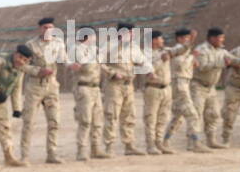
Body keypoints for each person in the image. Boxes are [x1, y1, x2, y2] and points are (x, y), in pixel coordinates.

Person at [18, 17, 65, 163]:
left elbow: (64, 59)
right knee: (29, 122)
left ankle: (52, 154)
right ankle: (24, 156)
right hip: (35, 86)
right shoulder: (30, 45)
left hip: (52, 86)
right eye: (45, 27)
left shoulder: (58, 43)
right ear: (40, 29)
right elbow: (22, 65)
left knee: (54, 121)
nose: (48, 30)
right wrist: (38, 71)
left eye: (51, 27)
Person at [100, 22, 147, 156]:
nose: (132, 35)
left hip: (129, 85)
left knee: (129, 116)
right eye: (129, 32)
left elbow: (142, 62)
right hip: (114, 85)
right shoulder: (109, 46)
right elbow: (99, 63)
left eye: (133, 33)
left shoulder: (134, 47)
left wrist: (136, 71)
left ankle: (129, 145)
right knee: (112, 115)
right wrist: (112, 73)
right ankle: (109, 147)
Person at [161, 28, 210, 152]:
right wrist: (191, 57)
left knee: (178, 116)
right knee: (193, 115)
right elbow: (180, 65)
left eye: (189, 38)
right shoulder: (175, 51)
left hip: (185, 83)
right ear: (179, 39)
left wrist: (193, 59)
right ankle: (195, 142)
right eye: (185, 38)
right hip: (179, 83)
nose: (187, 40)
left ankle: (165, 141)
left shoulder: (187, 52)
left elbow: (194, 65)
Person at [67, 30, 105, 160]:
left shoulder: (95, 50)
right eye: (93, 36)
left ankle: (96, 148)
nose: (95, 38)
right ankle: (82, 150)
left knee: (97, 120)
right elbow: (83, 64)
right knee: (85, 120)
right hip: (83, 88)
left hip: (96, 88)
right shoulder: (76, 50)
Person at [190, 27, 230, 148]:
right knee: (196, 115)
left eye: (223, 37)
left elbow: (232, 59)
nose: (222, 40)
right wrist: (222, 63)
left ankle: (211, 140)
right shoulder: (201, 49)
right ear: (212, 38)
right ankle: (193, 142)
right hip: (198, 86)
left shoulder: (221, 50)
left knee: (213, 114)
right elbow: (202, 66)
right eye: (220, 37)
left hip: (211, 88)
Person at [141, 30, 175, 155]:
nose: (163, 41)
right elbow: (146, 70)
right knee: (151, 117)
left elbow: (178, 50)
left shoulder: (164, 51)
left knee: (163, 117)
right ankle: (150, 145)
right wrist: (161, 60)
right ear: (154, 40)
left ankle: (159, 143)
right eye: (160, 39)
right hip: (153, 88)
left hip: (166, 88)